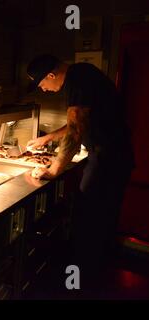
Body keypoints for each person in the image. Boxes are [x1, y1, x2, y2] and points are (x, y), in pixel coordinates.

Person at [25, 54, 134, 289]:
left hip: (108, 160)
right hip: (113, 158)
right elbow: (80, 121)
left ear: (51, 75)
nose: (43, 90)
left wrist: (53, 170)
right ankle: (94, 275)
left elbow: (76, 130)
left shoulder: (78, 79)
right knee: (100, 219)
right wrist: (50, 137)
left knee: (90, 219)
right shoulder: (82, 75)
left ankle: (82, 282)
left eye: (42, 84)